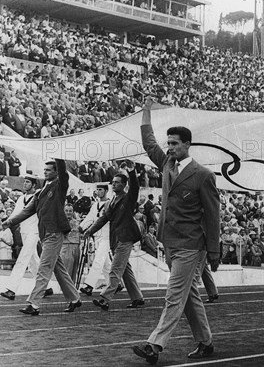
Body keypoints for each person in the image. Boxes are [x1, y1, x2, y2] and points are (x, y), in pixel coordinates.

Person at [133, 98, 220, 364]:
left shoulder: (203, 175)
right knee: (189, 294)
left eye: (174, 144)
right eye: (168, 143)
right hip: (169, 242)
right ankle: (205, 342)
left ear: (187, 145)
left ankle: (155, 344)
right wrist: (146, 111)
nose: (169, 148)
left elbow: (213, 216)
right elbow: (149, 143)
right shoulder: (167, 165)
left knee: (174, 294)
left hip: (192, 245)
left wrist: (214, 251)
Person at [0, 159, 82, 314]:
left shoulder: (60, 186)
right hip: (46, 235)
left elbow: (64, 174)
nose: (45, 172)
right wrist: (9, 222)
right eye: (45, 170)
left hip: (54, 233)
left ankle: (34, 304)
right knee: (59, 269)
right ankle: (75, 298)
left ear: (57, 172)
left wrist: (59, 156)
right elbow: (27, 211)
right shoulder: (41, 192)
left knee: (43, 268)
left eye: (49, 170)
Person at [83, 168, 144, 311]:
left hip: (126, 238)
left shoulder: (128, 198)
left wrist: (132, 171)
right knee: (125, 270)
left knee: (115, 269)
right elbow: (103, 219)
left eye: (117, 183)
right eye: (113, 182)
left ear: (124, 185)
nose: (114, 185)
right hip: (115, 239)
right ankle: (137, 297)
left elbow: (135, 187)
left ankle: (105, 298)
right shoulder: (109, 203)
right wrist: (89, 231)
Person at [0, 173, 41, 301]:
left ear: (34, 185)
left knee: (23, 258)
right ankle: (46, 286)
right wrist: (4, 224)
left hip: (34, 231)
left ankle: (11, 289)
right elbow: (15, 215)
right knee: (33, 260)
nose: (25, 184)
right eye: (25, 182)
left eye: (28, 182)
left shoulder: (38, 198)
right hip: (24, 231)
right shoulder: (21, 198)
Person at [78, 184, 111, 296]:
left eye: (100, 189)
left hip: (107, 236)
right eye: (97, 189)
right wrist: (81, 227)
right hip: (97, 236)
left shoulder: (110, 204)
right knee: (105, 262)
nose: (98, 191)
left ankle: (89, 285)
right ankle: (115, 283)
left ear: (106, 191)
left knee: (98, 260)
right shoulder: (95, 204)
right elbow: (90, 218)